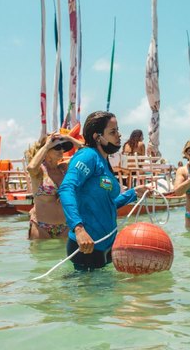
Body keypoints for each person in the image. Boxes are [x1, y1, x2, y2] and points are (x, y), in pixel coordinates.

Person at [58, 111, 149, 271]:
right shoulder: (87, 156)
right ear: (97, 137)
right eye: (113, 132)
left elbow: (105, 205)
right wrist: (78, 229)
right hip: (86, 247)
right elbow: (66, 188)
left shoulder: (104, 162)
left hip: (107, 247)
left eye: (118, 130)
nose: (119, 135)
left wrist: (133, 193)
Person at [25, 132, 82, 239]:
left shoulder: (64, 169)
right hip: (41, 227)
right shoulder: (39, 172)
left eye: (63, 147)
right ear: (46, 151)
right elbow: (31, 168)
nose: (61, 150)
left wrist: (68, 138)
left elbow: (85, 151)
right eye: (57, 147)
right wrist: (46, 145)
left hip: (65, 226)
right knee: (43, 256)